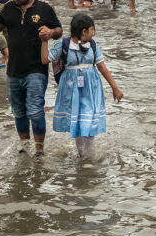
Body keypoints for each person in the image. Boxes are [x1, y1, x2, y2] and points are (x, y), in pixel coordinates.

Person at [0, 0, 63, 156]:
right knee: (18, 112)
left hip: (37, 69)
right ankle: (25, 147)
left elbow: (59, 31)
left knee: (36, 111)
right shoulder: (8, 8)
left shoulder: (44, 8)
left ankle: (39, 150)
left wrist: (51, 32)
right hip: (13, 71)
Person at [40, 14, 123, 159]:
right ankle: (83, 156)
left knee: (89, 121)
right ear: (83, 31)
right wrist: (44, 41)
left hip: (91, 89)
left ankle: (88, 156)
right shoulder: (63, 44)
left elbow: (102, 67)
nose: (93, 33)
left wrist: (115, 88)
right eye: (92, 29)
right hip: (72, 90)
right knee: (78, 122)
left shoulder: (92, 45)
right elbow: (45, 59)